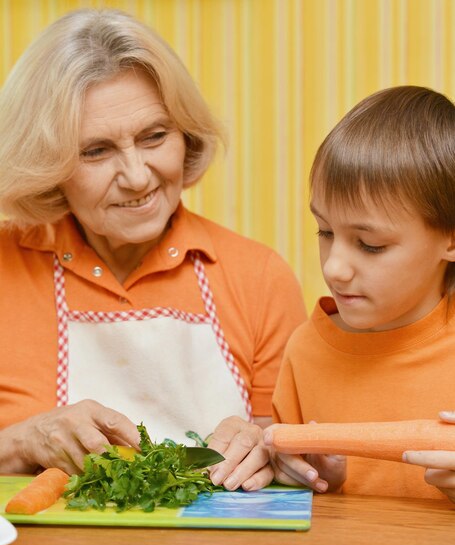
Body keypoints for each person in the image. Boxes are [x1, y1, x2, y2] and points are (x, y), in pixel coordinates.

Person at [0, 8, 306, 489]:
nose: (138, 176)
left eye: (155, 136)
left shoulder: (259, 276)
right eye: (96, 151)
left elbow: (298, 451)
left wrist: (267, 448)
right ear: (47, 162)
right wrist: (22, 440)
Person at [266, 85, 455, 503]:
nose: (334, 267)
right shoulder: (305, 350)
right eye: (326, 232)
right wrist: (314, 481)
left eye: (370, 245)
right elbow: (283, 491)